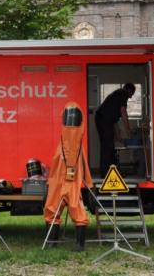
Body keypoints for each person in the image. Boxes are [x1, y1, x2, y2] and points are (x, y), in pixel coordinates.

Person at [43, 102, 93, 251]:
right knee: (56, 210)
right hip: (62, 184)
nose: (71, 123)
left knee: (68, 210)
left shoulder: (72, 147)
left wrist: (90, 186)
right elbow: (56, 167)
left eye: (74, 119)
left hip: (68, 184)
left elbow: (83, 167)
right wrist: (90, 185)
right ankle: (61, 243)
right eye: (69, 118)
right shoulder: (68, 147)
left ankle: (69, 244)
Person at [95, 83, 136, 177]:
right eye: (132, 94)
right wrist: (128, 130)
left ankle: (112, 172)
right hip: (103, 119)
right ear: (129, 91)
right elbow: (123, 112)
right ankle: (106, 174)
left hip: (103, 119)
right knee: (107, 146)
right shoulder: (123, 93)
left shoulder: (117, 95)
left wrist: (117, 136)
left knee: (109, 146)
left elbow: (114, 120)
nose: (131, 97)